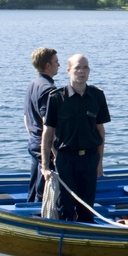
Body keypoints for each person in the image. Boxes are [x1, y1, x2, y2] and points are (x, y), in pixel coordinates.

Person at [41, 54, 110, 223]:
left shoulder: (97, 96)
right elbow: (47, 133)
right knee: (66, 206)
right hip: (66, 159)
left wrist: (100, 162)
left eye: (85, 68)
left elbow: (100, 132)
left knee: (87, 208)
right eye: (78, 68)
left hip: (89, 158)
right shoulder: (56, 97)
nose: (82, 71)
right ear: (68, 70)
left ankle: (87, 241)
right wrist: (45, 166)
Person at [23, 47, 59, 201]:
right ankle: (39, 218)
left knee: (34, 183)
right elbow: (48, 125)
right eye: (56, 62)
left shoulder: (33, 84)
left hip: (33, 141)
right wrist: (55, 152)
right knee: (44, 188)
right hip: (43, 145)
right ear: (48, 65)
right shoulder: (49, 90)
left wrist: (33, 136)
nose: (59, 65)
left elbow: (26, 117)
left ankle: (29, 210)